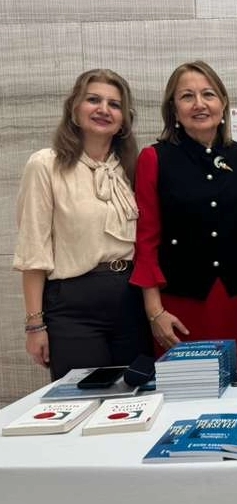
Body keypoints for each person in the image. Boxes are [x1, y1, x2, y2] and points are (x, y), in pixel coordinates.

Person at [14, 69, 151, 380]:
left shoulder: (131, 169)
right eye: (93, 100)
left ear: (124, 119)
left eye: (114, 104)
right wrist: (34, 325)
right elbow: (33, 249)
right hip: (74, 307)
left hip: (131, 302)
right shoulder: (45, 165)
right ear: (74, 109)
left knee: (136, 396)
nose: (104, 109)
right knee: (83, 398)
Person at [131, 61, 237, 369]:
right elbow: (146, 241)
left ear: (223, 103)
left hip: (236, 301)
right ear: (174, 110)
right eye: (187, 96)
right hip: (178, 305)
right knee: (185, 387)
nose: (199, 104)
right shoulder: (154, 158)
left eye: (208, 94)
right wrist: (155, 312)